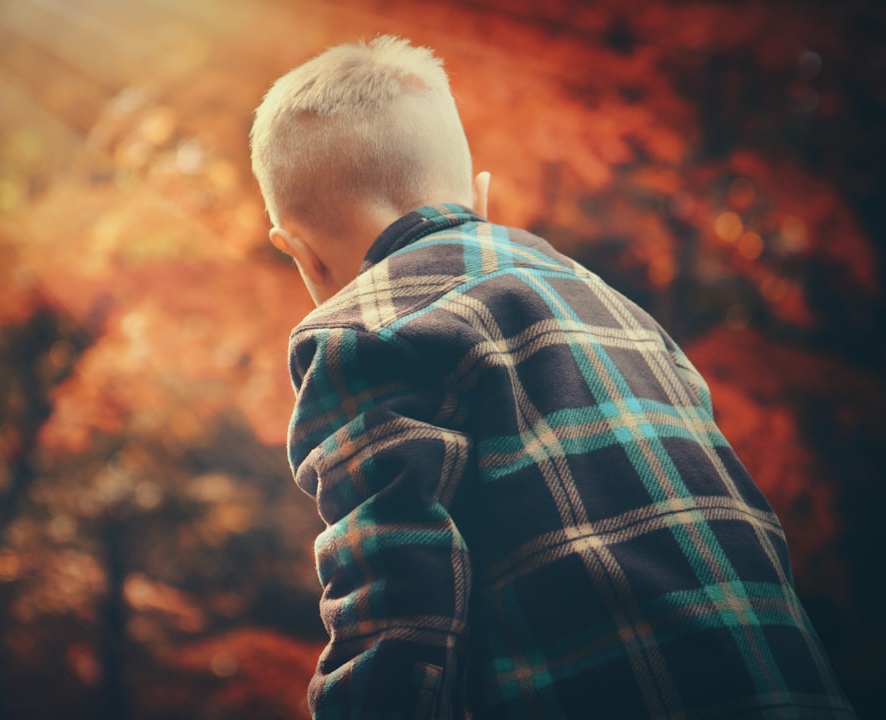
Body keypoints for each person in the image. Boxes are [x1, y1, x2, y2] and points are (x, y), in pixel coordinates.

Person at [249, 35, 855, 719]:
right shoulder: (623, 314)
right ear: (481, 196)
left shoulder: (363, 330)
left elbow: (395, 605)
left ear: (299, 253)